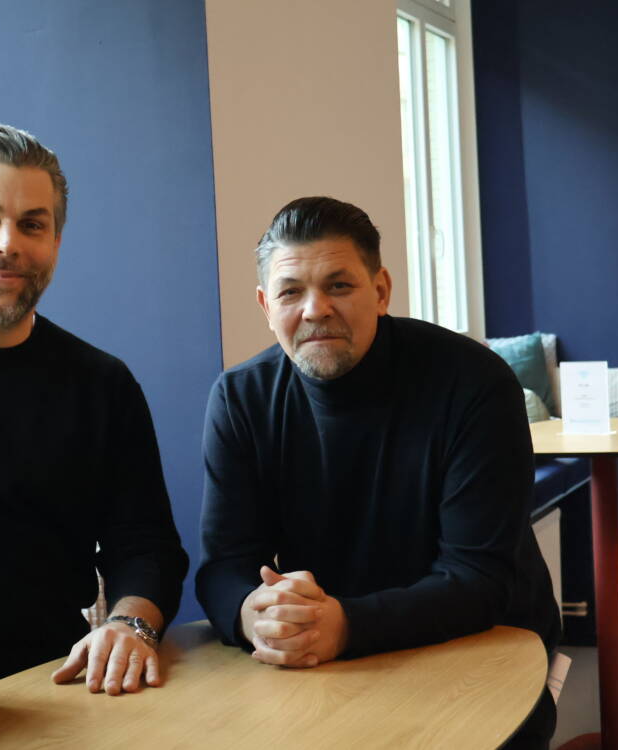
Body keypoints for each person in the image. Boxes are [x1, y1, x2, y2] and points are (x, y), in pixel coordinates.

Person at [195, 197, 560, 747]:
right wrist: (253, 614)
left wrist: (346, 624)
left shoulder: (473, 383)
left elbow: (480, 579)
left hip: (486, 646)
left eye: (339, 285)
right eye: (291, 292)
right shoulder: (240, 399)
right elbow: (224, 565)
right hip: (330, 658)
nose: (315, 309)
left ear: (381, 290)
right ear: (266, 305)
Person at [0, 123, 188, 694]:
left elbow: (147, 547)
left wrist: (131, 625)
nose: (9, 243)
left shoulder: (101, 383)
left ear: (54, 243)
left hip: (49, 684)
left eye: (33, 224)